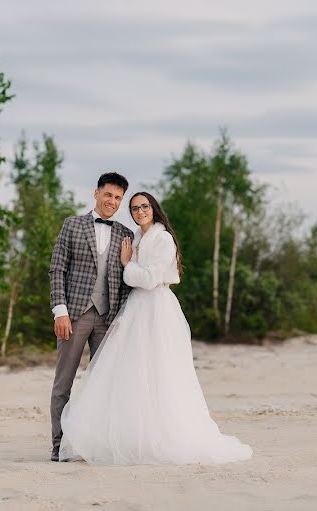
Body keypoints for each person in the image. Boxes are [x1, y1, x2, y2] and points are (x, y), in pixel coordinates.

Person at [59, 191, 252, 465]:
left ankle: (161, 436)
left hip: (156, 308)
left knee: (160, 371)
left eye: (144, 206)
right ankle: (131, 436)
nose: (140, 212)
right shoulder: (136, 237)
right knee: (131, 373)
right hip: (136, 307)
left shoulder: (163, 239)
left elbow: (149, 279)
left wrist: (127, 265)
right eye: (135, 209)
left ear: (154, 208)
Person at [48, 172, 133, 462]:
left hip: (107, 319)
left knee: (104, 385)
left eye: (118, 198)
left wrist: (120, 318)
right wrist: (60, 311)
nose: (112, 201)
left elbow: (125, 282)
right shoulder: (72, 225)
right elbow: (57, 269)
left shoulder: (126, 234)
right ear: (96, 193)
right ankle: (59, 447)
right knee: (64, 384)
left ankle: (96, 445)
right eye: (108, 195)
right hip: (74, 316)